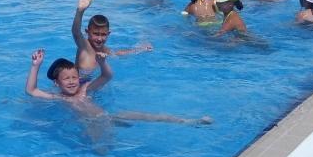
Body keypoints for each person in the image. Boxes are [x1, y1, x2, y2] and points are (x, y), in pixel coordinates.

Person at [26, 49, 211, 124]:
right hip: (93, 124)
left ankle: (187, 121)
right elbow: (31, 91)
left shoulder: (85, 89)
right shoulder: (59, 97)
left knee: (148, 116)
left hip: (109, 116)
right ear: (56, 83)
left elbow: (107, 76)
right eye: (66, 79)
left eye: (74, 76)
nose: (72, 81)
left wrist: (102, 62)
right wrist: (35, 66)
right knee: (102, 152)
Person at [72, 0, 151, 80]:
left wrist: (140, 49)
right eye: (96, 34)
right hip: (77, 85)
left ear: (108, 34)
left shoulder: (103, 49)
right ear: (87, 32)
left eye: (103, 34)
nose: (99, 39)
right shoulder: (85, 46)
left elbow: (117, 53)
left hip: (91, 84)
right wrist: (80, 11)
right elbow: (76, 32)